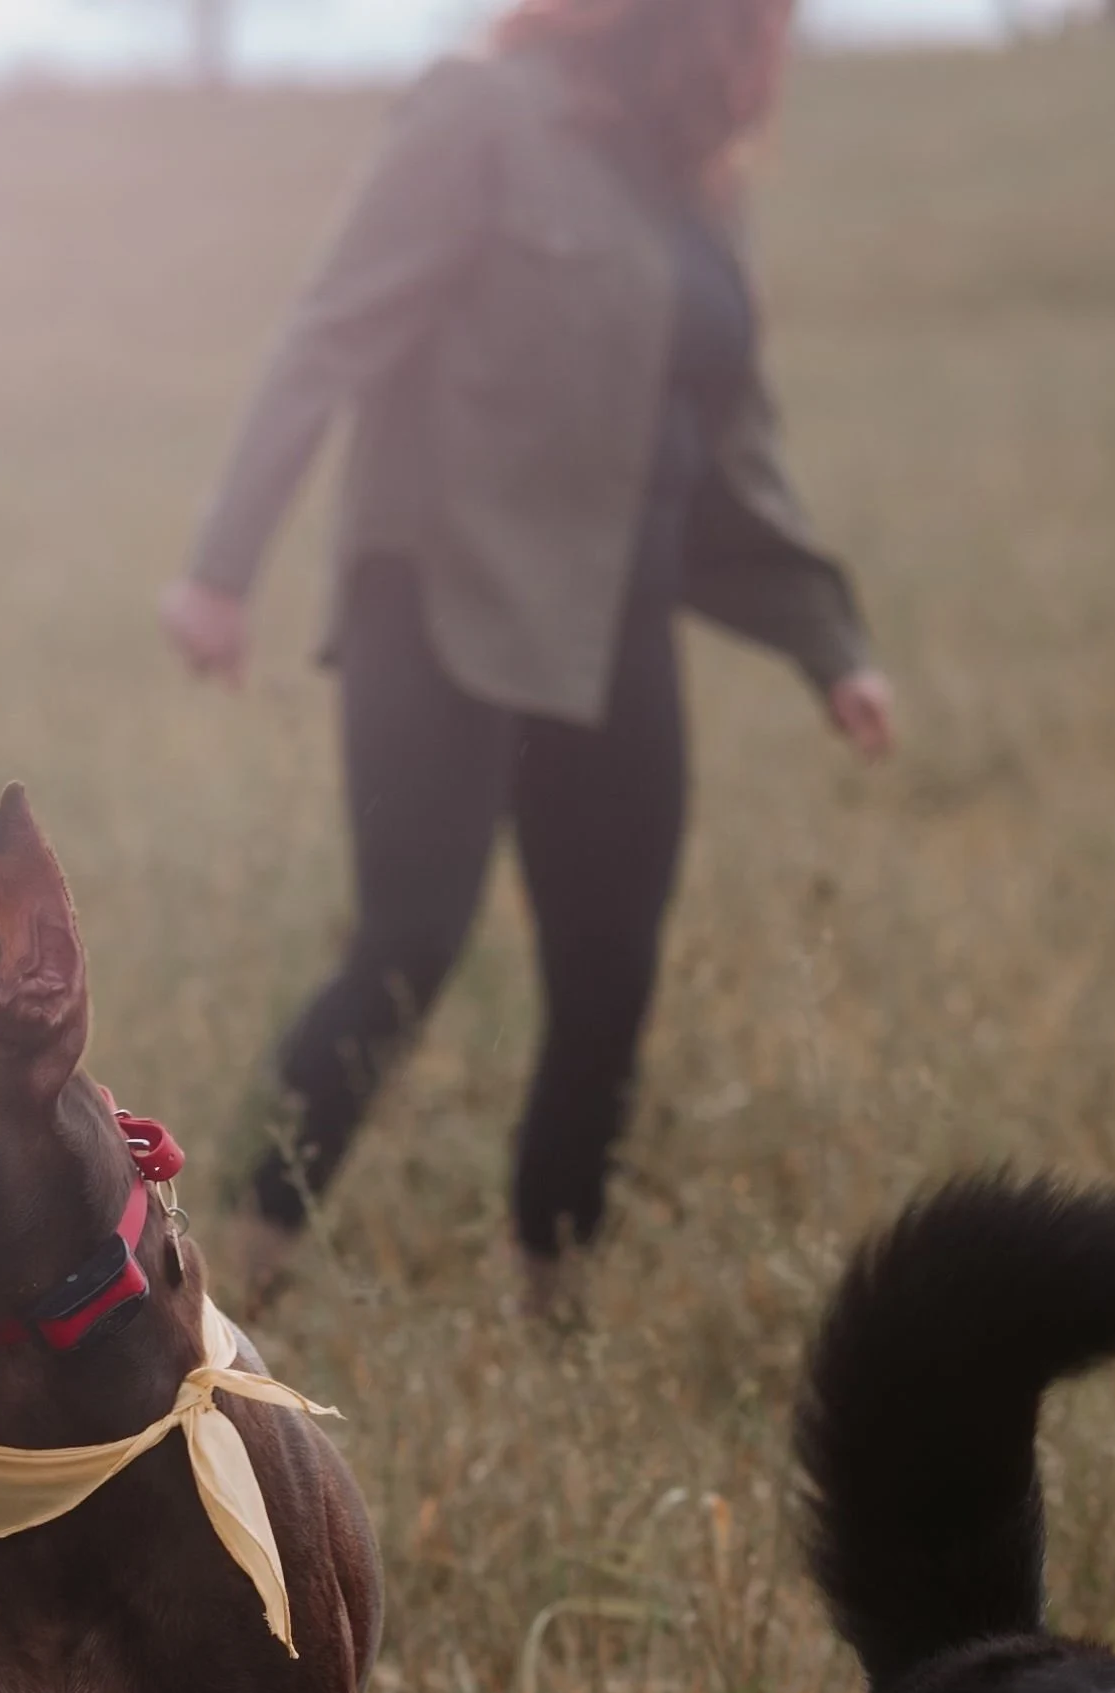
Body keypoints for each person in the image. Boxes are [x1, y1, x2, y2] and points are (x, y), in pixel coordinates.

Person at [161, 0, 894, 1315]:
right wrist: (222, 571)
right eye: (746, 25)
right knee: (409, 944)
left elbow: (734, 446)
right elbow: (332, 331)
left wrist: (828, 645)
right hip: (441, 597)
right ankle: (225, 1277)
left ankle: (552, 1292)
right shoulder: (478, 117)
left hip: (618, 623)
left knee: (611, 973)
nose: (758, 56)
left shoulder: (699, 188)